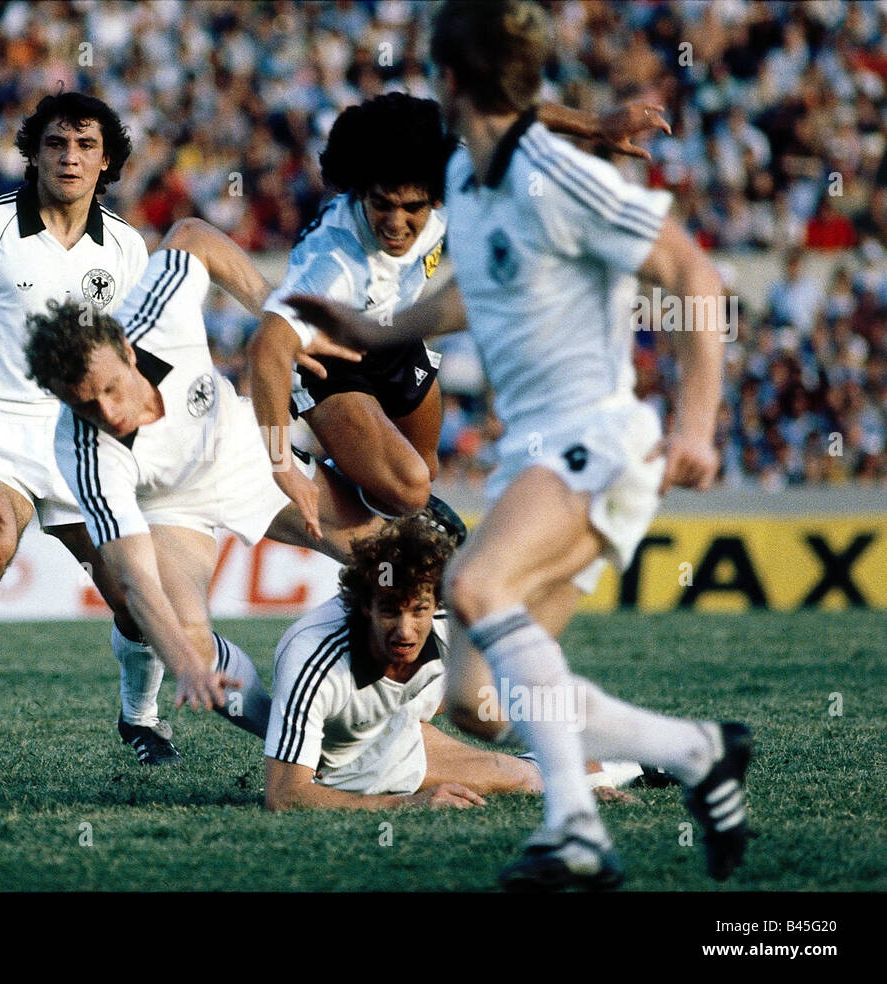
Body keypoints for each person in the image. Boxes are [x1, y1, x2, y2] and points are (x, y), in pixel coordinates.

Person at [288, 0, 752, 891]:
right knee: (483, 705)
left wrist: (698, 425)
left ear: (452, 81)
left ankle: (574, 831)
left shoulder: (550, 172)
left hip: (595, 438)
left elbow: (690, 269)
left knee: (474, 583)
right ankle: (699, 751)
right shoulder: (469, 179)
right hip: (533, 459)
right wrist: (372, 327)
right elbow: (475, 297)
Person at [250, 92, 672, 537]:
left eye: (412, 207)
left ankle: (364, 486)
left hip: (388, 329)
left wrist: (595, 125)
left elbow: (501, 113)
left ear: (437, 195)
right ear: (360, 192)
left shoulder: (453, 167)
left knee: (424, 467)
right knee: (410, 489)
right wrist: (279, 462)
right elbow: (266, 349)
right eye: (382, 205)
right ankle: (327, 509)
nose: (396, 223)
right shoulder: (333, 265)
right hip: (328, 356)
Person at [24, 218, 383, 722]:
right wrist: (185, 665)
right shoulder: (84, 452)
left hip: (241, 449)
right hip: (171, 511)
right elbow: (135, 578)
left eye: (110, 389)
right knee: (189, 640)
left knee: (379, 555)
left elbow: (193, 235)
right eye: (83, 405)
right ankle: (291, 737)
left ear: (128, 350)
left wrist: (282, 324)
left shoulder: (155, 316)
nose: (106, 413)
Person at [0, 92, 173, 766]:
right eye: (56, 143)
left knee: (138, 598)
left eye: (86, 146)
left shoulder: (125, 247)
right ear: (32, 152)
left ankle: (141, 720)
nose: (70, 157)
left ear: (107, 159)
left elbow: (148, 349)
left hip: (85, 439)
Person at [264, 516, 642, 811]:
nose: (405, 630)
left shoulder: (455, 616)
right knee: (523, 778)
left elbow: (541, 664)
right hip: (350, 755)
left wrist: (592, 781)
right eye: (390, 611)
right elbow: (284, 795)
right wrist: (405, 804)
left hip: (402, 710)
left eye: (419, 610)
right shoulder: (313, 657)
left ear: (436, 602)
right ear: (365, 606)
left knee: (524, 765)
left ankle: (639, 765)